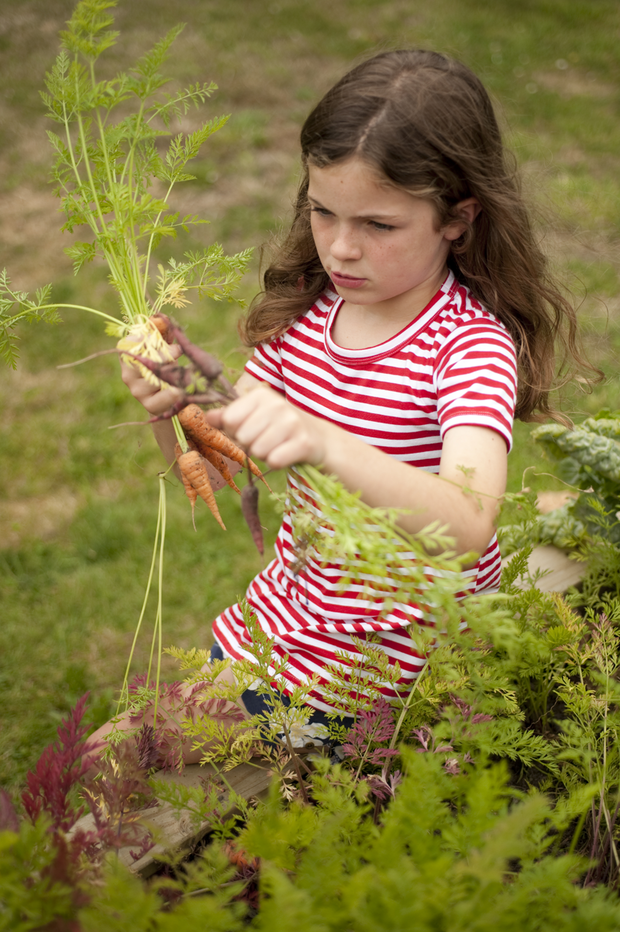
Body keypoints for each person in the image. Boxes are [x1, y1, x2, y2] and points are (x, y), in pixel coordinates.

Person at [112, 49, 589, 759]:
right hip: (283, 625)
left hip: (381, 680)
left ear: (457, 219)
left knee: (137, 781)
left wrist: (328, 443)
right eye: (322, 211)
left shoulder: (467, 349)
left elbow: (466, 523)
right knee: (110, 760)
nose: (340, 247)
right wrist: (171, 413)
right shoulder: (308, 317)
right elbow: (217, 475)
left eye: (378, 225)